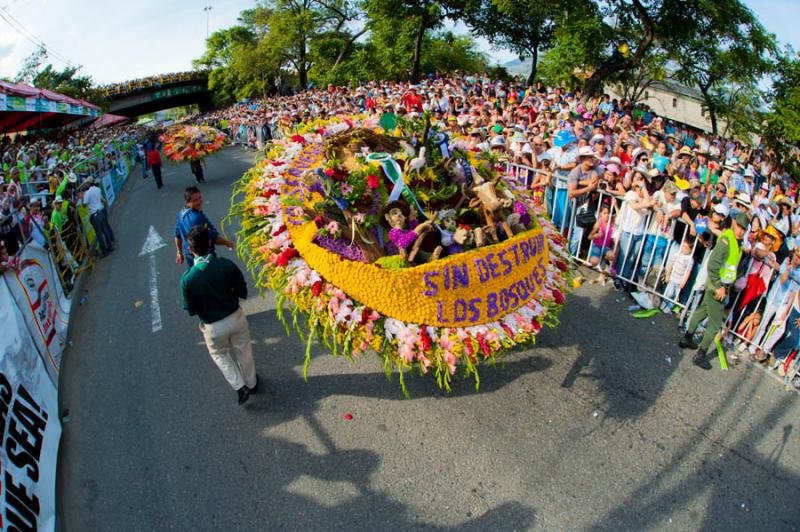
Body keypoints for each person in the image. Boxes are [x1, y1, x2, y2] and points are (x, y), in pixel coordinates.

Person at [180, 226, 258, 405]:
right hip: (235, 317)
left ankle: (239, 387)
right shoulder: (226, 265)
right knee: (243, 350)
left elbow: (191, 309)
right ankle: (252, 383)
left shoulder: (187, 279)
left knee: (219, 355)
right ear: (209, 243)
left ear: (190, 250)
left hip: (212, 326)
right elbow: (242, 291)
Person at [680, 211, 750, 369]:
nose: (740, 230)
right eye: (739, 226)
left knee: (702, 311)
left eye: (744, 229)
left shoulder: (735, 242)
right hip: (718, 287)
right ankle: (701, 354)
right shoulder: (727, 240)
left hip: (718, 285)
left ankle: (687, 338)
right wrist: (719, 287)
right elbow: (713, 265)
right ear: (734, 223)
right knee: (715, 324)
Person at [174, 186, 234, 267]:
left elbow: (177, 236)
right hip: (205, 258)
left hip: (190, 257)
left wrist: (179, 252)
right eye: (195, 200)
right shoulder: (196, 218)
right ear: (187, 202)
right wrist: (227, 243)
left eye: (199, 198)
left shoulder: (181, 214)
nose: (199, 202)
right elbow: (213, 237)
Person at [80, 177, 115, 256]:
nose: (85, 184)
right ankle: (110, 246)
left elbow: (84, 205)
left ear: (88, 183)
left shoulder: (87, 193)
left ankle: (104, 251)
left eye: (86, 183)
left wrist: (82, 198)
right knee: (105, 230)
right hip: (101, 210)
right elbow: (101, 199)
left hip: (95, 214)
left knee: (99, 234)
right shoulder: (97, 189)